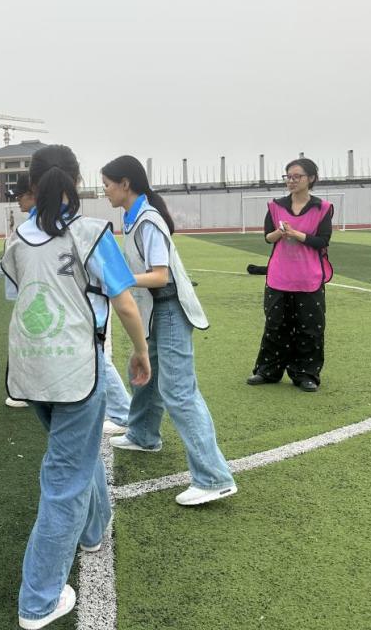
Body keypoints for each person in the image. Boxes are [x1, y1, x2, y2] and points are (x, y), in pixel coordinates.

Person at [0, 145, 151, 629]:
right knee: (63, 482)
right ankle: (38, 600)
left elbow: (18, 293)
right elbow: (124, 303)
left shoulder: (18, 238)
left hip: (29, 372)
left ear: (32, 183)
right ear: (77, 179)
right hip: (76, 372)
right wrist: (141, 352)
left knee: (75, 455)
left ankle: (93, 530)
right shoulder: (91, 232)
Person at [101, 155, 237, 507]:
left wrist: (118, 280)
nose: (105, 192)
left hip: (171, 308)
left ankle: (214, 478)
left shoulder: (148, 219)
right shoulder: (132, 217)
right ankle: (143, 435)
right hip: (155, 309)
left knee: (179, 391)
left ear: (125, 184)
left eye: (107, 185)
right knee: (143, 374)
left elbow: (160, 276)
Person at [0, 173, 134, 426]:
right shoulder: (30, 227)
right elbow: (8, 261)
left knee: (93, 359)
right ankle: (39, 391)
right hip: (57, 305)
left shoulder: (57, 226)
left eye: (20, 196)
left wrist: (141, 349)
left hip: (77, 309)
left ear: (34, 193)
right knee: (53, 346)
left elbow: (122, 297)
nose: (17, 201)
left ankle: (123, 412)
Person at [248, 158, 333, 392]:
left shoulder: (322, 208)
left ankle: (306, 374)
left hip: (309, 277)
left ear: (311, 178)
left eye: (297, 176)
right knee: (275, 325)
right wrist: (279, 232)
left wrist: (297, 234)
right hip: (279, 276)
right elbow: (268, 237)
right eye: (288, 176)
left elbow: (322, 241)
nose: (291, 181)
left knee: (310, 327)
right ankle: (267, 371)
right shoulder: (275, 206)